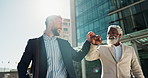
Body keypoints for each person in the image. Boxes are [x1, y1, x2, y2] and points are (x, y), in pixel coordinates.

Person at [17, 15, 91, 78]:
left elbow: (78, 56)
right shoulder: (33, 43)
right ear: (50, 23)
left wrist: (88, 41)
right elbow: (22, 65)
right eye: (59, 23)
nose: (61, 27)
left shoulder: (64, 44)